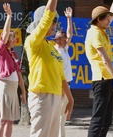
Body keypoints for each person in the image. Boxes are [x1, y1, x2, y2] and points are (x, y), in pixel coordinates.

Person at [25, 0, 74, 136]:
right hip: (41, 96)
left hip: (56, 96)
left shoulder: (52, 47)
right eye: (52, 21)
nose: (54, 25)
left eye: (55, 22)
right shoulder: (33, 41)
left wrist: (70, 99)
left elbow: (61, 75)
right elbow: (46, 19)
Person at [84, 0, 113, 136]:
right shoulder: (94, 33)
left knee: (107, 120)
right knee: (98, 119)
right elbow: (105, 60)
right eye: (106, 18)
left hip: (107, 79)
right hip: (101, 80)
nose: (109, 20)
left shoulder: (101, 29)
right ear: (98, 19)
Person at [0, 3, 26, 137]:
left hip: (13, 89)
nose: (15, 40)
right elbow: (6, 32)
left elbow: (19, 74)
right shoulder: (1, 51)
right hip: (5, 88)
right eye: (13, 38)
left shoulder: (14, 54)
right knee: (3, 120)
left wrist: (23, 92)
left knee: (10, 121)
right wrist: (9, 16)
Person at [51, 7, 73, 137]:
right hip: (59, 86)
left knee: (63, 117)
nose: (61, 40)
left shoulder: (64, 48)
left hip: (66, 85)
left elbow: (70, 34)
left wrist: (69, 19)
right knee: (59, 117)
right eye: (58, 38)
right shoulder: (54, 50)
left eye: (62, 38)